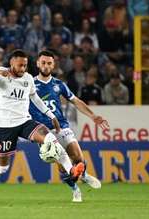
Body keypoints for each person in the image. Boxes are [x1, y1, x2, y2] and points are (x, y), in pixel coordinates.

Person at [0, 49, 84, 202]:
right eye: (20, 65)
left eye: (25, 65)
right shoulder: (1, 75)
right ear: (12, 63)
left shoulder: (28, 78)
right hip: (5, 126)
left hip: (24, 121)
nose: (23, 69)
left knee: (50, 139)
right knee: (2, 167)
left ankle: (71, 170)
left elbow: (35, 97)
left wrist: (50, 114)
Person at [29, 50, 109, 202]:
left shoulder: (59, 85)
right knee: (63, 166)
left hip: (61, 126)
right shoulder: (29, 84)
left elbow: (76, 101)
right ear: (38, 64)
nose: (46, 66)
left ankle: (83, 175)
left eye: (49, 63)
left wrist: (92, 115)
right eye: (43, 63)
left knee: (78, 158)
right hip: (43, 132)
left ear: (53, 65)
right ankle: (75, 190)